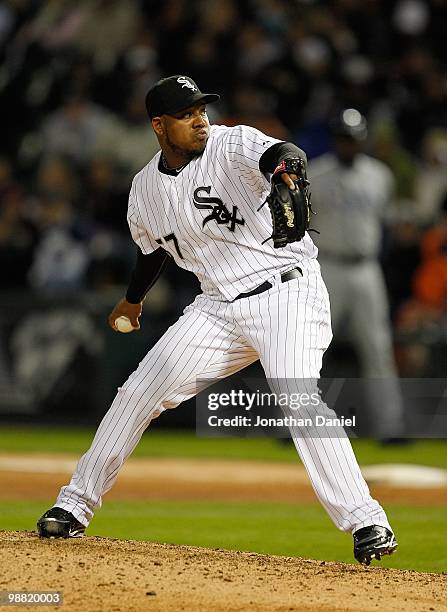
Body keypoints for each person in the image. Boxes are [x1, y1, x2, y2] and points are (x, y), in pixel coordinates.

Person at [36, 76, 397, 565]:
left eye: (202, 109)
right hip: (217, 307)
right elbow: (152, 252)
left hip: (285, 290)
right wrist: (132, 300)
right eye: (187, 114)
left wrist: (288, 172)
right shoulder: (144, 189)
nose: (200, 119)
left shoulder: (232, 143)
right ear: (159, 126)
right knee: (139, 390)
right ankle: (73, 505)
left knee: (296, 398)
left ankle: (367, 519)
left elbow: (284, 153)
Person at [308, 109, 406, 441]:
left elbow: (385, 222)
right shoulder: (317, 173)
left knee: (377, 347)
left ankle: (390, 427)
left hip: (366, 267)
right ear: (335, 140)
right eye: (342, 139)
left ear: (361, 140)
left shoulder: (380, 176)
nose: (347, 144)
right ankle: (295, 421)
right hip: (328, 267)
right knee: (310, 346)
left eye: (352, 139)